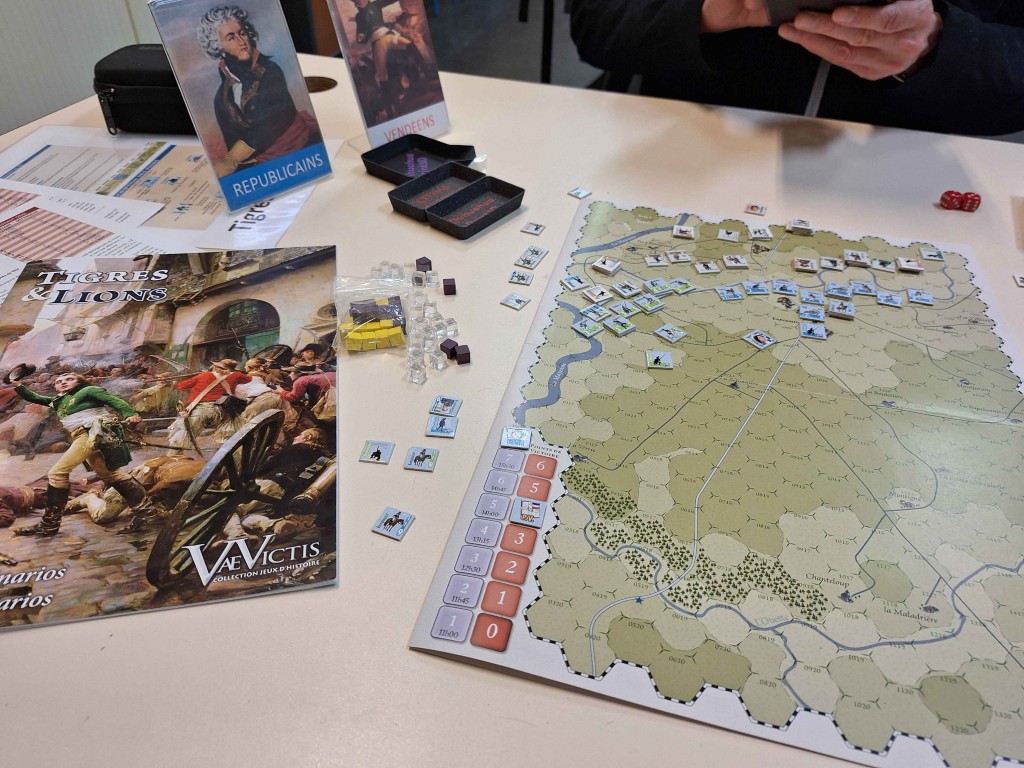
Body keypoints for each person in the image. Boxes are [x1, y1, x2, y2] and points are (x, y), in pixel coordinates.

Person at [570, 0, 1024, 135]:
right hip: (671, 135)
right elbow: (595, 21)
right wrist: (705, 12)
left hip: (904, 167)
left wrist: (936, 48)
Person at [3, 370, 158, 536]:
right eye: (59, 381)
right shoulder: (57, 401)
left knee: (57, 473)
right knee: (111, 474)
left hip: (93, 433)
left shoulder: (88, 390)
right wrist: (18, 385)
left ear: (78, 382)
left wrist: (130, 414)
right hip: (82, 435)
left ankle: (49, 524)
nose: (63, 382)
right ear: (55, 387)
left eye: (69, 379)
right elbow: (35, 397)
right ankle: (147, 514)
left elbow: (114, 400)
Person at [197, 5, 322, 177]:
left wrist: (233, 158)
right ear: (219, 47)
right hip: (259, 167)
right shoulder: (221, 98)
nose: (241, 41)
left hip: (299, 151)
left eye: (242, 33)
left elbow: (270, 124)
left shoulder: (270, 71)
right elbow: (231, 140)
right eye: (231, 37)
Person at [167, 359, 251, 453]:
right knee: (231, 436)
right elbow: (249, 378)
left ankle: (174, 454)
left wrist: (176, 381)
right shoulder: (237, 375)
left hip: (201, 410)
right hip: (223, 411)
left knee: (182, 432)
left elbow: (181, 386)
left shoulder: (204, 375)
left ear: (215, 367)